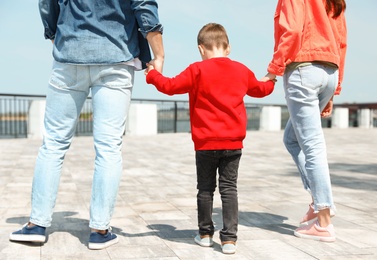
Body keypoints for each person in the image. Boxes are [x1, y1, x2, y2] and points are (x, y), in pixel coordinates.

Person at [9, 0, 164, 250]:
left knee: (53, 145)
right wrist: (159, 54)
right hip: (116, 57)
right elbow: (144, 7)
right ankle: (99, 230)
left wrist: (57, 37)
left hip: (69, 56)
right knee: (108, 147)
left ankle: (36, 225)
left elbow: (47, 5)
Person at [145, 23, 275, 254]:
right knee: (229, 189)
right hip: (233, 143)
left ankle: (205, 234)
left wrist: (153, 74)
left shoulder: (197, 70)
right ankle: (229, 240)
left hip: (205, 144)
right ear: (228, 48)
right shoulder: (241, 70)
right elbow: (260, 90)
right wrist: (272, 79)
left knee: (205, 189)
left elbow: (170, 86)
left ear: (201, 49)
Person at [262, 0, 347, 242]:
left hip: (303, 70)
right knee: (292, 139)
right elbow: (342, 42)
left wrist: (273, 70)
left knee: (312, 146)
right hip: (329, 72)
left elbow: (293, 31)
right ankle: (318, 198)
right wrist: (334, 89)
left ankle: (323, 221)